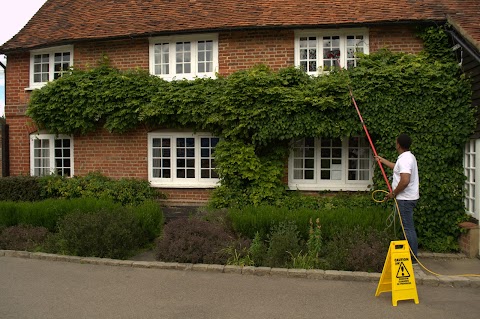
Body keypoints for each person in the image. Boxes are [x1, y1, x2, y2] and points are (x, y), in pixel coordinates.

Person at [375, 134, 420, 263]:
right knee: (407, 227)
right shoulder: (407, 157)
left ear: (399, 144)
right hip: (408, 198)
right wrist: (382, 160)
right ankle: (410, 253)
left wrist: (393, 193)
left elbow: (405, 180)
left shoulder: (405, 159)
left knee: (408, 228)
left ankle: (412, 257)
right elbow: (397, 168)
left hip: (405, 199)